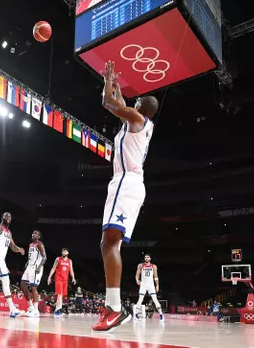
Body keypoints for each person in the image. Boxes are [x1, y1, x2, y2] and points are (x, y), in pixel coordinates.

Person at [93, 61, 159, 332]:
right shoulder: (137, 122)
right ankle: (114, 307)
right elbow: (117, 102)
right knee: (110, 245)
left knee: (108, 245)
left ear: (141, 106)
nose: (134, 100)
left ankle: (115, 309)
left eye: (138, 100)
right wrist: (113, 85)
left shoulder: (137, 118)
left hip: (125, 182)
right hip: (132, 185)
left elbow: (110, 104)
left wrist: (109, 83)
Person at [21, 230, 47, 317]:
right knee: (23, 286)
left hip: (36, 267)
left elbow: (44, 257)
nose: (33, 234)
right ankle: (31, 307)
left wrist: (39, 267)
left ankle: (36, 310)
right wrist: (27, 262)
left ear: (39, 237)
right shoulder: (30, 244)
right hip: (29, 267)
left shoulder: (39, 244)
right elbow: (31, 256)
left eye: (36, 233)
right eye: (33, 233)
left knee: (33, 288)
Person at [47, 248, 76, 317]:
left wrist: (73, 278)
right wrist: (49, 277)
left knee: (61, 295)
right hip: (58, 278)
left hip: (65, 280)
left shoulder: (70, 261)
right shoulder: (58, 259)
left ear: (67, 253)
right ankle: (58, 310)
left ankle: (58, 309)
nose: (63, 252)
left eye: (65, 251)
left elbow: (71, 270)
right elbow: (53, 268)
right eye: (62, 251)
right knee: (59, 294)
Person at [134, 254, 164, 321]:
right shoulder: (140, 265)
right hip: (143, 284)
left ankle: (161, 314)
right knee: (140, 299)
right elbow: (137, 274)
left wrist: (157, 285)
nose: (146, 258)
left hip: (151, 285)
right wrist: (137, 280)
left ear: (150, 258)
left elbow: (156, 277)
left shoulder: (153, 266)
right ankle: (136, 315)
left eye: (148, 257)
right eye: (145, 257)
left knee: (155, 300)